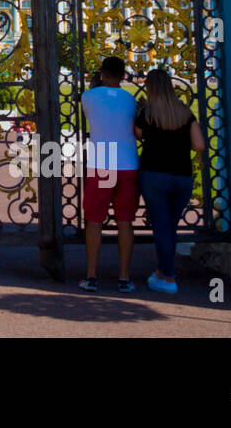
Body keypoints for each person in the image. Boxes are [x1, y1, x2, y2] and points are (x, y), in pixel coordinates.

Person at [134, 67, 204, 294]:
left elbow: (137, 134)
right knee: (170, 227)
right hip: (182, 176)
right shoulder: (184, 112)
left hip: (154, 174)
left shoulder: (147, 113)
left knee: (162, 228)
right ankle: (162, 272)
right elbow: (199, 144)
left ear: (150, 88)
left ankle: (169, 278)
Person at [78, 55, 139, 293]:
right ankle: (124, 277)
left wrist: (95, 85)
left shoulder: (89, 96)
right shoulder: (130, 99)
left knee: (94, 221)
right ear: (123, 75)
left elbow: (90, 112)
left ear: (102, 73)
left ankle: (92, 276)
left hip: (102, 161)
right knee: (125, 222)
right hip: (128, 163)